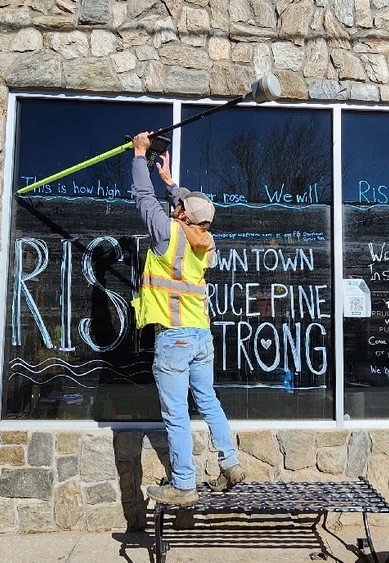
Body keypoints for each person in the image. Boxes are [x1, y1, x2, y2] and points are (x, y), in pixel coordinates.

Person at [129, 131, 246, 506]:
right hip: (201, 337)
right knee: (208, 400)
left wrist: (139, 154)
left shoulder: (167, 234)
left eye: (178, 208)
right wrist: (171, 183)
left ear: (180, 215)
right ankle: (230, 463)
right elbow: (189, 211)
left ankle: (183, 484)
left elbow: (143, 200)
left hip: (174, 339)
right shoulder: (206, 243)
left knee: (177, 414)